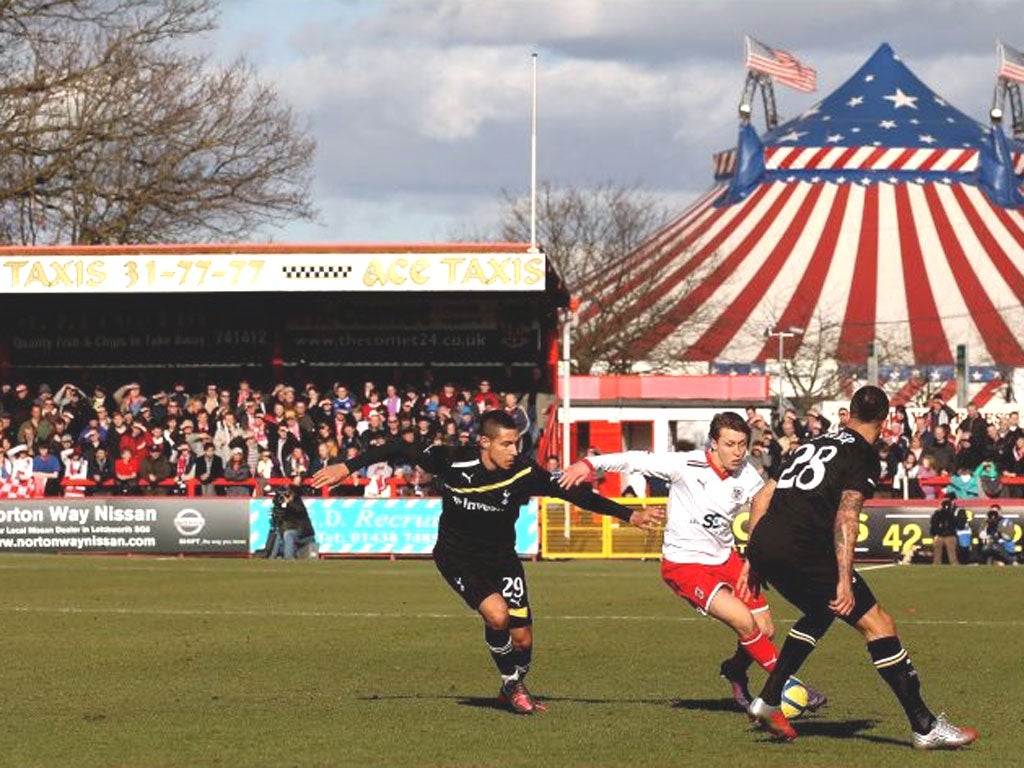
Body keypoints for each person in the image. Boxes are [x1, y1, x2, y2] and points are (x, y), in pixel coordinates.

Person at [312, 409, 664, 715]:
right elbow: (397, 446)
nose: (515, 451)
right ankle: (513, 686)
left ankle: (509, 686)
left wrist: (628, 515)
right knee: (497, 615)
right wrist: (347, 465)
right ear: (485, 442)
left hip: (502, 559)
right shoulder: (450, 459)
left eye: (517, 444)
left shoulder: (525, 472)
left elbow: (574, 493)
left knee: (523, 640)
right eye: (507, 444)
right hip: (457, 556)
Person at [742, 386, 977, 749]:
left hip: (765, 540)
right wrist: (844, 579)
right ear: (883, 424)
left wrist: (753, 557)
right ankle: (924, 725)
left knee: (820, 612)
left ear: (847, 413)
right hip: (802, 546)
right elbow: (847, 516)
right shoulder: (863, 455)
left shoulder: (810, 443)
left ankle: (769, 700)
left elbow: (761, 498)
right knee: (878, 623)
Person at [558, 411, 825, 712]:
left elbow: (771, 510)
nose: (738, 452)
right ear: (714, 444)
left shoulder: (748, 475)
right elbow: (635, 460)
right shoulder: (685, 464)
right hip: (684, 565)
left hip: (726, 559)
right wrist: (589, 463)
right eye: (730, 444)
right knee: (742, 620)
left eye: (742, 444)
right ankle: (787, 684)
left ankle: (736, 670)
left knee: (765, 629)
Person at [268, 485, 317, 558]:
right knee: (279, 534)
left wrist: (289, 502)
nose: (284, 497)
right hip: (289, 532)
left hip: (303, 533)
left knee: (288, 534)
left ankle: (289, 559)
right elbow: (278, 518)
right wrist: (277, 507)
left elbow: (298, 511)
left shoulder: (297, 503)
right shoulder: (283, 505)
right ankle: (272, 558)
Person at [929, 497, 959, 565]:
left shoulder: (937, 514)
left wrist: (933, 534)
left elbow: (933, 523)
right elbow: (956, 524)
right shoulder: (952, 514)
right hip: (950, 536)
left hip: (939, 536)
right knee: (953, 558)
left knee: (937, 558)